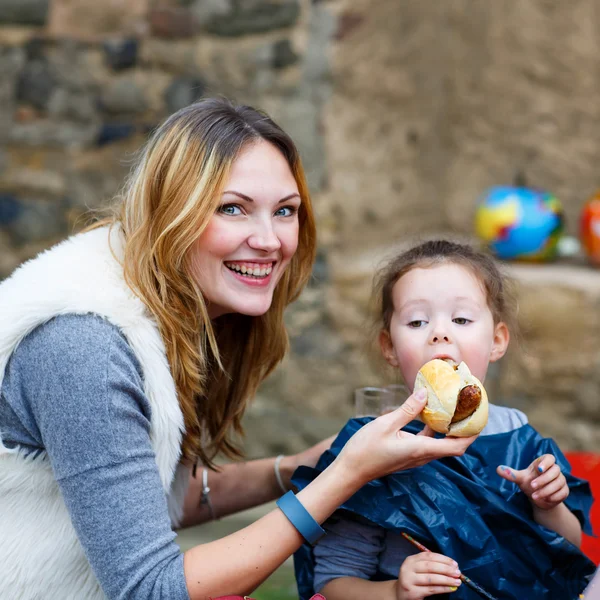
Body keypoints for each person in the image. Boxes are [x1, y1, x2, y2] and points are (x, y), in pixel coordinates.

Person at [0, 100, 477, 600]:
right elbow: (150, 588)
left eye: (285, 211)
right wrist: (345, 473)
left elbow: (134, 503)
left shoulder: (171, 312)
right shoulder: (83, 347)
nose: (270, 240)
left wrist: (292, 469)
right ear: (172, 212)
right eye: (233, 208)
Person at [292, 239, 595, 600]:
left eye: (462, 319)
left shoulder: (522, 439)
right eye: (418, 321)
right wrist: (395, 591)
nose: (440, 332)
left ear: (497, 341)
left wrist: (548, 506)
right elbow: (331, 582)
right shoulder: (372, 451)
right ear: (389, 347)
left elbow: (569, 551)